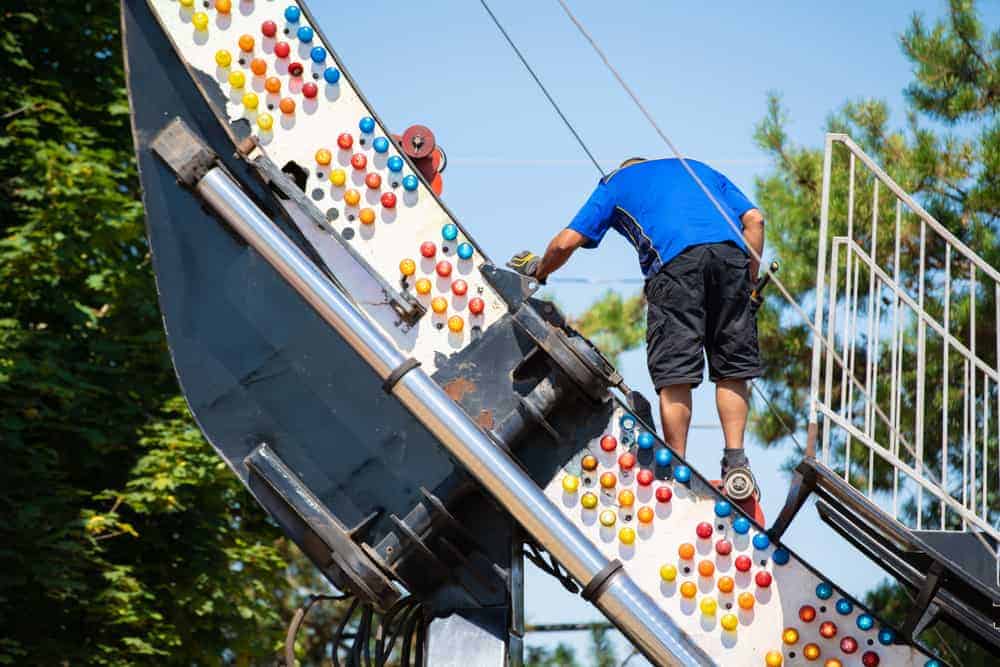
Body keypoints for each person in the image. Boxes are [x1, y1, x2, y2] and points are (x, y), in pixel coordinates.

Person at [511, 157, 765, 485]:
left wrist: (539, 270)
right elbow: (755, 221)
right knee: (732, 369)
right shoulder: (697, 168)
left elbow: (565, 242)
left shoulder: (617, 181)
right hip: (732, 259)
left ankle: (677, 469)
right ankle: (736, 463)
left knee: (675, 373)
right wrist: (750, 282)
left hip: (675, 266)